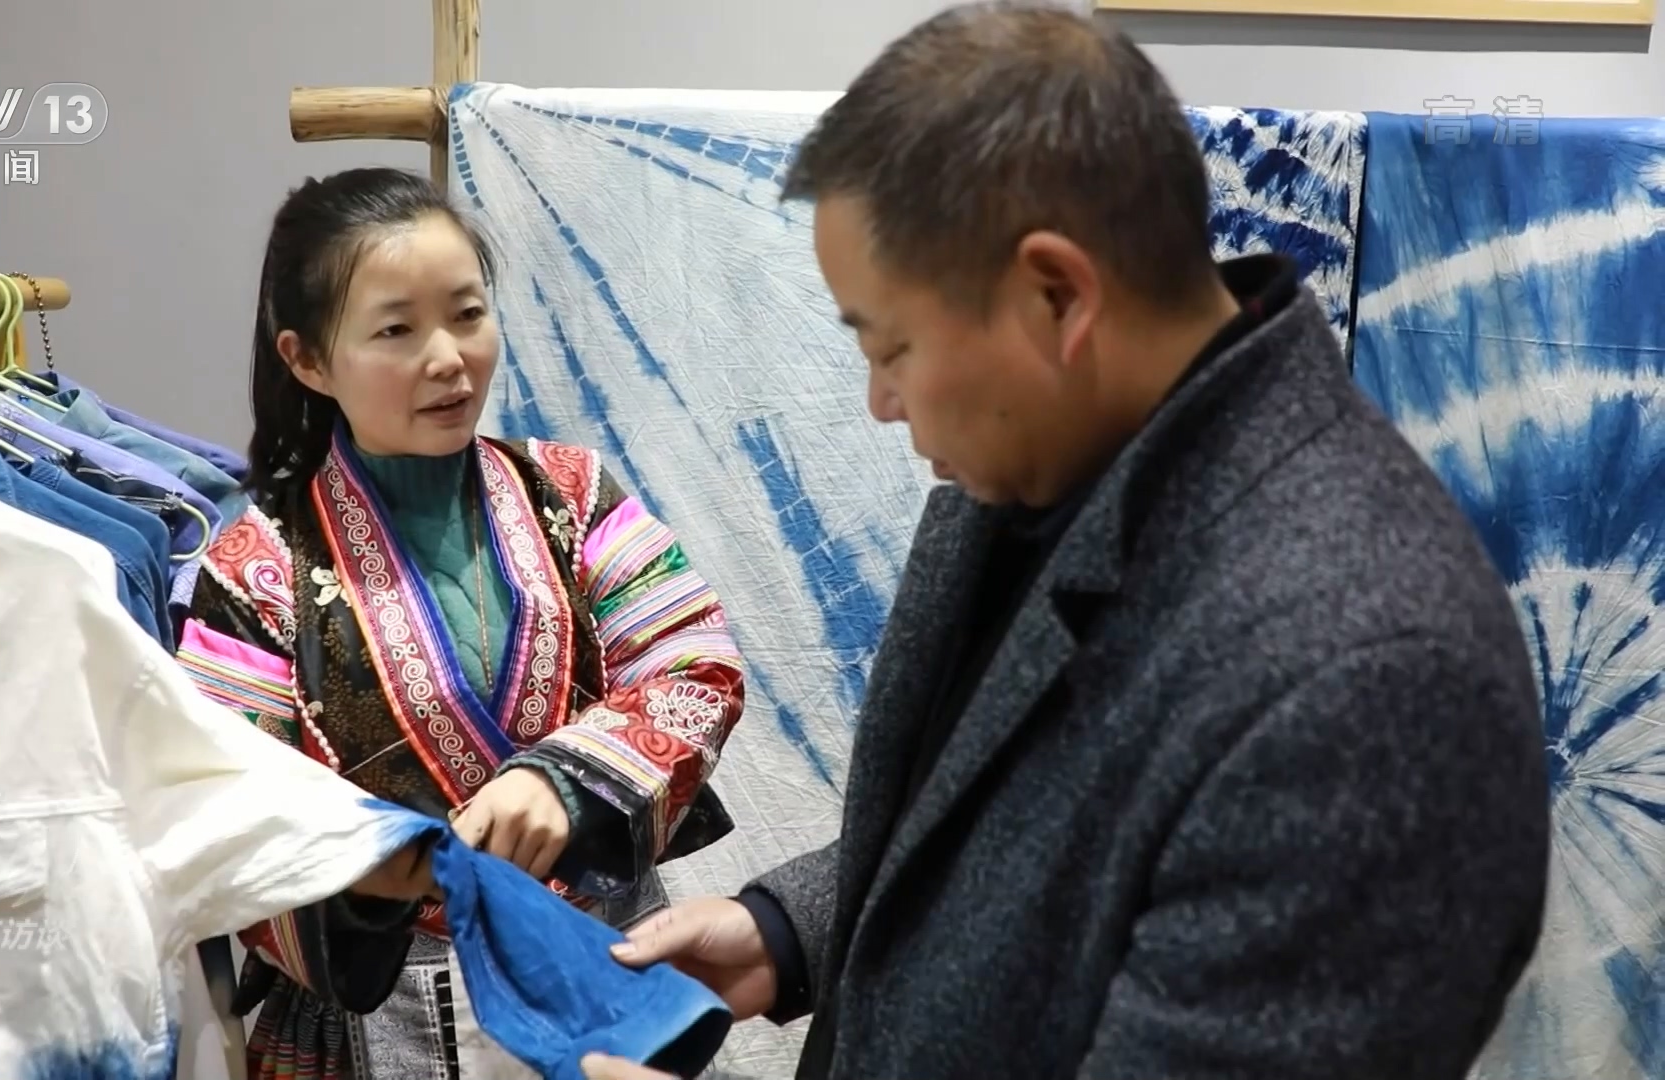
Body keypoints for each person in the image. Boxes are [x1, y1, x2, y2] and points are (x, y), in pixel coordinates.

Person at [584, 5, 1552, 1079]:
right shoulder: (1041, 457)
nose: (880, 403)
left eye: (893, 348)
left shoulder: (1374, 686)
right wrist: (793, 929)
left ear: (1057, 296)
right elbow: (1022, 833)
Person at [181, 166, 746, 1080]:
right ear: (308, 359)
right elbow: (221, 802)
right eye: (396, 330)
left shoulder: (572, 492)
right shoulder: (255, 566)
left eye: (467, 314)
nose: (447, 357)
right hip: (371, 1023)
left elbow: (691, 663)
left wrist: (565, 784)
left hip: (597, 966)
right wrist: (383, 866)